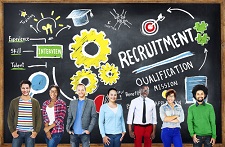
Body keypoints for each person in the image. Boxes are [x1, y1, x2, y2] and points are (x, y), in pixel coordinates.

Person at [7, 80, 42, 147]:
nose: (25, 90)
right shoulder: (14, 102)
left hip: (30, 133)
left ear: (30, 88)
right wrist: (12, 131)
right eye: (23, 88)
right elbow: (10, 117)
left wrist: (36, 132)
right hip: (17, 132)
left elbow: (38, 118)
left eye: (27, 88)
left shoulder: (35, 102)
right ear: (20, 89)